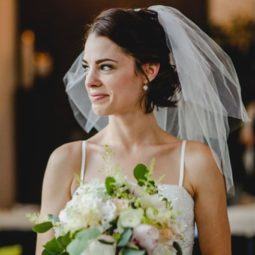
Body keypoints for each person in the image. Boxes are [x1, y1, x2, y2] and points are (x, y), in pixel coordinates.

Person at [36, 5, 249, 255]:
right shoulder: (66, 160)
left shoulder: (196, 162)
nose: (89, 81)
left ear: (148, 71)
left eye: (105, 66)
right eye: (86, 67)